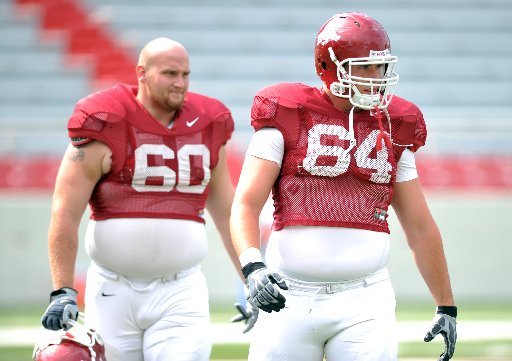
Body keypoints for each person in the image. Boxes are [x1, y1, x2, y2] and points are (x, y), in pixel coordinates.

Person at [230, 12, 457, 361]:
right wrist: (252, 266)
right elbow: (246, 202)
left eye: (379, 67)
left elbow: (420, 226)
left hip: (365, 299)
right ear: (328, 65)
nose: (375, 77)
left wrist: (446, 305)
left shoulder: (395, 124)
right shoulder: (287, 111)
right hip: (289, 295)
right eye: (363, 67)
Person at [40, 37, 241, 361]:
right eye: (170, 74)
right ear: (142, 73)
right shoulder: (105, 119)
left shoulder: (209, 123)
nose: (180, 84)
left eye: (186, 75)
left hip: (181, 289)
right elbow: (64, 212)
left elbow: (227, 211)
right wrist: (62, 289)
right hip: (112, 290)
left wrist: (249, 276)